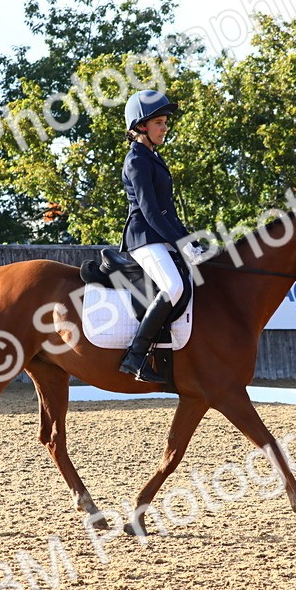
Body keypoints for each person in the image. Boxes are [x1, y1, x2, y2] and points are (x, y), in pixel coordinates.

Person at [118, 90, 205, 383]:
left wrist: (190, 240)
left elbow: (169, 213)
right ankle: (135, 356)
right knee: (173, 286)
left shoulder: (154, 157)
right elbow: (151, 212)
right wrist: (180, 244)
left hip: (160, 235)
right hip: (143, 237)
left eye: (166, 122)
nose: (165, 127)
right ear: (141, 126)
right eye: (159, 122)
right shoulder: (136, 160)